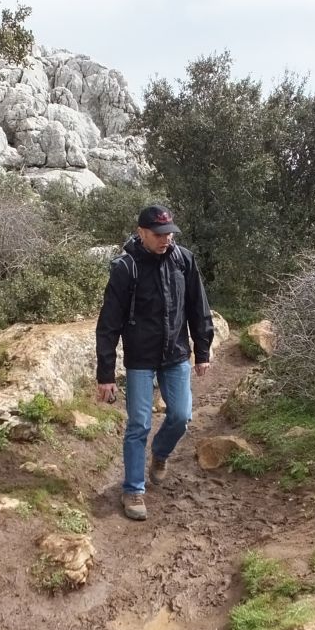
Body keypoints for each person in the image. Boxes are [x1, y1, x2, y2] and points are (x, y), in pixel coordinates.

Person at [96, 205, 214, 520]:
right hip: (140, 358)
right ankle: (133, 489)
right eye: (159, 234)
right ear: (142, 233)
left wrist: (202, 350)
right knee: (139, 424)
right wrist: (105, 374)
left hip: (175, 353)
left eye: (169, 233)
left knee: (180, 416)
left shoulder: (183, 260)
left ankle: (159, 454)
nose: (166, 239)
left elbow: (197, 307)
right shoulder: (125, 267)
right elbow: (108, 324)